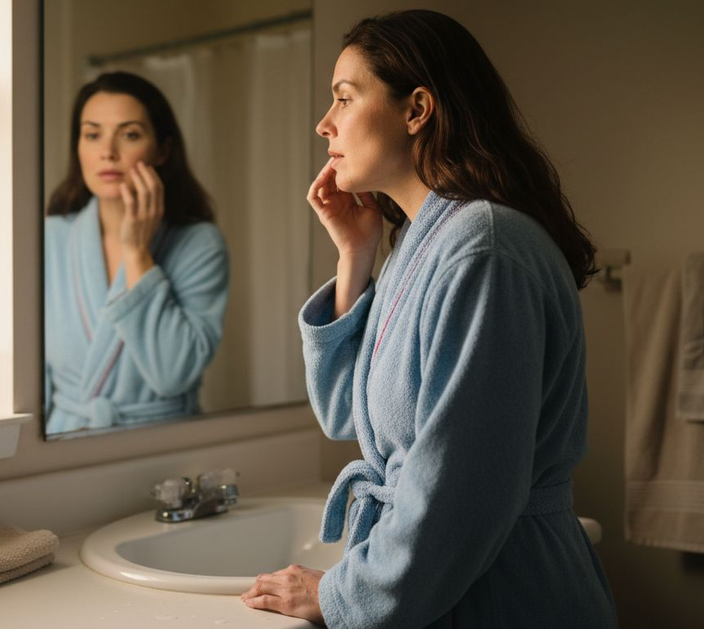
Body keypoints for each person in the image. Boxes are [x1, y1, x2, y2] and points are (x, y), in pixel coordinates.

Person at [240, 10, 617, 627]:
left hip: (507, 595)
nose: (324, 123)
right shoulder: (425, 244)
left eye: (344, 98)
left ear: (417, 109)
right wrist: (355, 256)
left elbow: (462, 491)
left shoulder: (483, 250)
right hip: (458, 583)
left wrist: (342, 595)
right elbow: (344, 414)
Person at [44, 71, 228, 434]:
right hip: (64, 438)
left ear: (162, 150)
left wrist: (137, 251)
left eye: (129, 135)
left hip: (160, 444)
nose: (107, 152)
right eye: (92, 134)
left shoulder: (199, 244)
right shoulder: (50, 238)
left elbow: (172, 373)